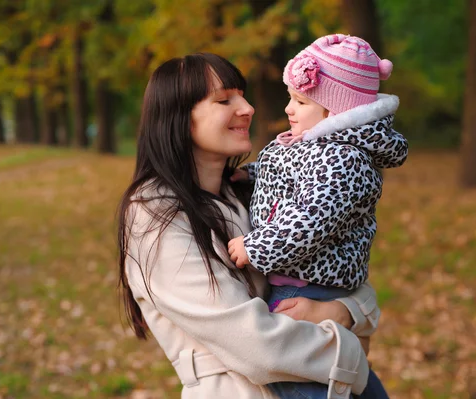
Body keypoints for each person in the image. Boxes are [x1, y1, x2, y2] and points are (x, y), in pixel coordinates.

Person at [118, 52, 382, 399]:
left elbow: (349, 277)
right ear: (179, 118)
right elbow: (256, 346)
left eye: (241, 94)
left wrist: (337, 311)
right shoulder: (155, 215)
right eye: (224, 99)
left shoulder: (257, 193)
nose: (247, 107)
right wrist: (351, 353)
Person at [227, 34, 409, 398]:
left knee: (304, 377)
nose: (289, 109)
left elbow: (310, 221)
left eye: (300, 101)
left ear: (332, 112)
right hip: (303, 279)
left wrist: (255, 247)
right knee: (344, 373)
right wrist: (251, 175)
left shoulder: (342, 160)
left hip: (309, 283)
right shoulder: (315, 146)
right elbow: (286, 175)